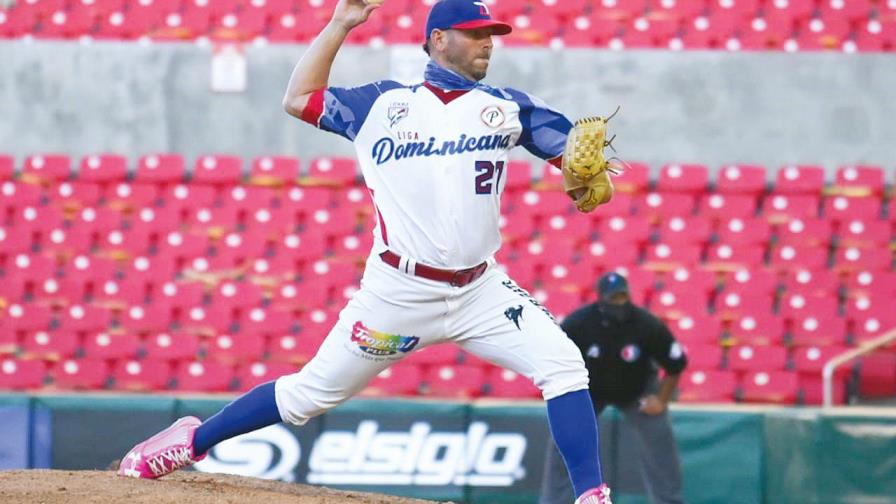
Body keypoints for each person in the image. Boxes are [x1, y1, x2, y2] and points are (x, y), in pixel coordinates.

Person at [117, 1, 613, 502]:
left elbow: (574, 154)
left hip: (481, 290)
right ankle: (190, 442)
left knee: (564, 366)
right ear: (438, 39)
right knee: (307, 395)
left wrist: (583, 179)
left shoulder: (510, 108)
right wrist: (340, 24)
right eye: (474, 33)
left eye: (491, 33)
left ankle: (591, 495)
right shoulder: (381, 103)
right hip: (398, 292)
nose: (488, 41)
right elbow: (299, 98)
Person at [539, 272, 688, 504]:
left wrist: (661, 399)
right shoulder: (579, 323)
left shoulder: (646, 324)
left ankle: (669, 502)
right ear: (601, 299)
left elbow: (675, 364)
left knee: (660, 448)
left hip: (637, 391)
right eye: (613, 298)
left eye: (622, 297)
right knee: (565, 441)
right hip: (590, 391)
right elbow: (554, 358)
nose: (619, 303)